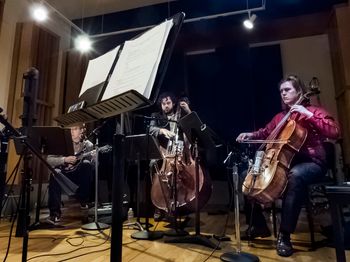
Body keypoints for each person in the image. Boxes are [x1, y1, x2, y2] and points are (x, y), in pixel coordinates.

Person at [236, 75, 340, 257]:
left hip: (312, 163)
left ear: (299, 91)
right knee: (248, 175)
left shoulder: (314, 111)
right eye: (281, 91)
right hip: (284, 162)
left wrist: (308, 115)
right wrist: (250, 135)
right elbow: (266, 132)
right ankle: (259, 226)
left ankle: (284, 235)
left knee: (295, 176)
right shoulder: (280, 117)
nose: (283, 93)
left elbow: (334, 131)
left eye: (287, 90)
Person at [149, 92, 192, 221]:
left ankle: (179, 206)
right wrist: (161, 130)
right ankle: (158, 204)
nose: (166, 106)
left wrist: (188, 110)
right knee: (153, 164)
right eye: (163, 104)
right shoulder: (156, 116)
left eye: (168, 103)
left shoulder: (181, 115)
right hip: (162, 152)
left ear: (173, 103)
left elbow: (193, 124)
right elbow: (151, 129)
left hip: (178, 152)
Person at [46, 124, 94, 225]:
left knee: (87, 165)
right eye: (70, 129)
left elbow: (92, 166)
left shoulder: (88, 145)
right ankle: (54, 214)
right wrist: (64, 159)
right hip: (64, 174)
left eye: (75, 129)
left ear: (82, 131)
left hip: (78, 176)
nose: (72, 131)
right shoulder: (61, 142)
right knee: (54, 174)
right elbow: (49, 159)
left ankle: (84, 202)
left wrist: (94, 158)